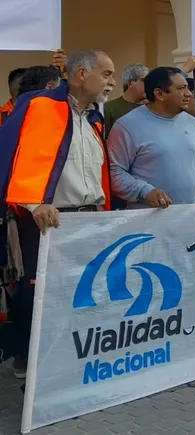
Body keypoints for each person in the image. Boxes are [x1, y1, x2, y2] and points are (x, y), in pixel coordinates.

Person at [0, 49, 116, 379]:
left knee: (83, 291)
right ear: (81, 74)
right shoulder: (42, 106)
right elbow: (19, 156)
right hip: (49, 221)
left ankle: (71, 361)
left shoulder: (92, 118)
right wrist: (36, 203)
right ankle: (33, 365)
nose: (111, 82)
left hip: (87, 219)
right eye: (106, 74)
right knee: (41, 296)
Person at [108, 67, 195, 209]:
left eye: (188, 88)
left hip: (191, 218)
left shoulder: (193, 124)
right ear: (159, 94)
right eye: (181, 89)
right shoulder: (127, 126)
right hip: (147, 221)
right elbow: (114, 172)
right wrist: (145, 191)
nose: (188, 94)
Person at [102, 64, 148, 138]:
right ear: (130, 83)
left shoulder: (152, 108)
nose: (149, 84)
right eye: (144, 80)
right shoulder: (109, 108)